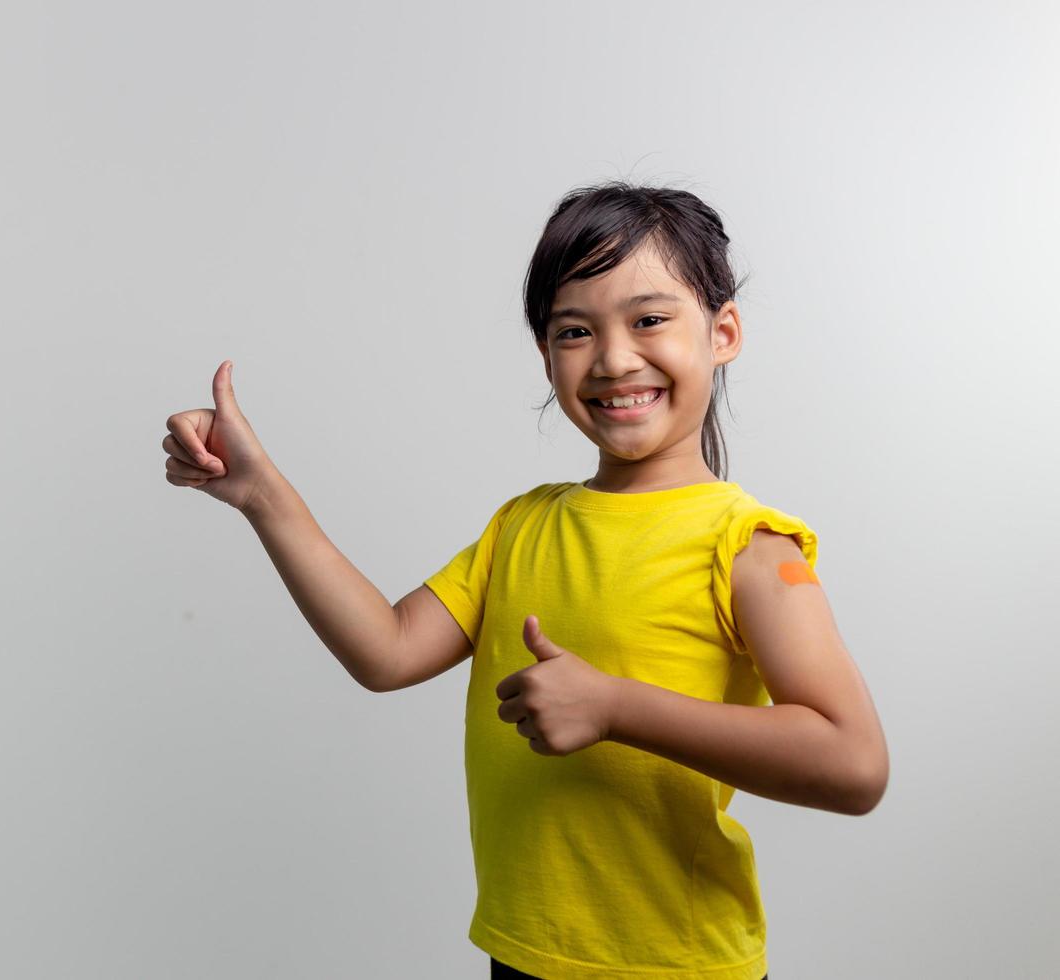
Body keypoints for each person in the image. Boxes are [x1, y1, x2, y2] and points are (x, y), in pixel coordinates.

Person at [161, 180, 887, 980]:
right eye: (575, 330)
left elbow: (853, 765)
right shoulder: (522, 526)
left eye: (649, 319)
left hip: (677, 969)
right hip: (524, 954)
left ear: (723, 332)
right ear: (545, 354)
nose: (613, 358)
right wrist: (263, 495)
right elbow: (387, 652)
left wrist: (615, 707)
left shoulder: (750, 547)